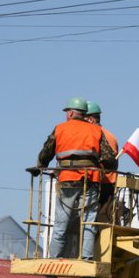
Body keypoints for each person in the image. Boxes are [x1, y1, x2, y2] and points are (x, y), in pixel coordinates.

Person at [36, 97, 117, 260]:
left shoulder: (60, 129)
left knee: (60, 225)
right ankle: (86, 259)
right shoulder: (96, 131)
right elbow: (109, 159)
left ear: (71, 113)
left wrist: (40, 166)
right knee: (88, 223)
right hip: (90, 181)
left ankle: (54, 260)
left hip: (67, 180)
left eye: (67, 112)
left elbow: (46, 153)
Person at [85, 101, 119, 223]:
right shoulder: (111, 135)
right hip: (109, 184)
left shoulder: (96, 135)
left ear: (90, 120)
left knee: (90, 220)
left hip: (98, 183)